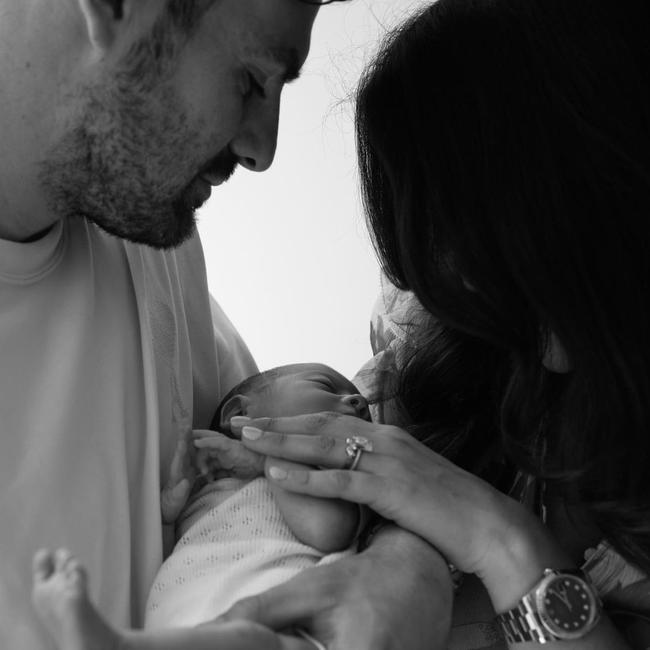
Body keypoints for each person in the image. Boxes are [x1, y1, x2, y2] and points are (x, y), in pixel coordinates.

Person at [0, 1, 451, 649]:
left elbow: (298, 495)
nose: (262, 149)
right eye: (250, 80)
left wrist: (406, 564)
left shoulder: (156, 246)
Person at [220, 0, 650, 648]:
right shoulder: (447, 337)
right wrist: (402, 547)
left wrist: (503, 544)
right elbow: (371, 473)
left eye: (488, 241)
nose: (465, 286)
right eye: (438, 252)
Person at [31, 363, 371, 650]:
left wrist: (267, 458)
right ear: (239, 414)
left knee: (253, 640)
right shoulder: (211, 481)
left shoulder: (338, 485)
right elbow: (169, 552)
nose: (358, 401)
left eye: (367, 414)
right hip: (187, 616)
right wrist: (169, 509)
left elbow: (327, 530)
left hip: (288, 625)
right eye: (326, 385)